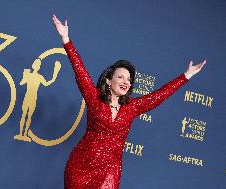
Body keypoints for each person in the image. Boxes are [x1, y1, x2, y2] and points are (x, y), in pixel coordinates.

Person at [52, 14, 206, 189]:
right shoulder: (94, 97)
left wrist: (186, 76)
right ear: (109, 81)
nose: (126, 82)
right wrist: (66, 39)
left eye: (129, 79)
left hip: (109, 171)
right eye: (121, 77)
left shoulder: (132, 107)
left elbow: (159, 95)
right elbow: (80, 71)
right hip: (80, 166)